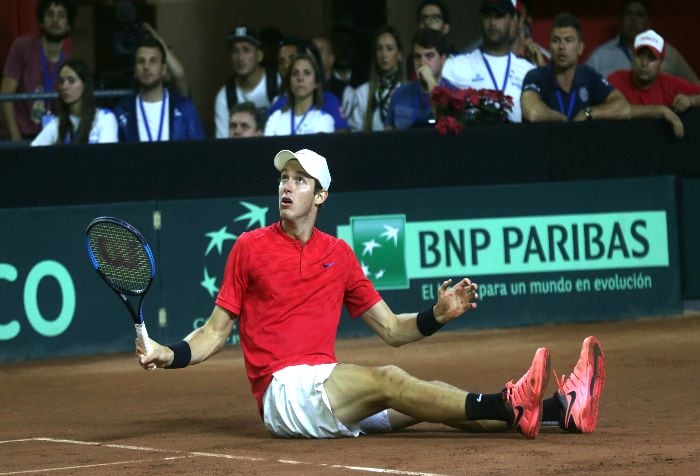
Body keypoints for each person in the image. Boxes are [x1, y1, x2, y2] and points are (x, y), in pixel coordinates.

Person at [135, 147, 606, 440]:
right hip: (284, 394)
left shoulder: (338, 255)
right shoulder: (250, 247)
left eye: (300, 180)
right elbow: (215, 333)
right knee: (391, 380)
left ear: (320, 196)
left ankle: (559, 410)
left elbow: (393, 330)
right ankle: (511, 400)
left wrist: (436, 315)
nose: (287, 186)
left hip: (329, 388)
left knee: (435, 395)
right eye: (284, 178)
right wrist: (167, 352)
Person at [520, 13, 630, 123]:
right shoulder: (536, 76)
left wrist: (588, 113)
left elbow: (622, 107)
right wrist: (562, 119)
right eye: (556, 40)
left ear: (580, 48)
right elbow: (532, 112)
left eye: (568, 40)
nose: (561, 47)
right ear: (550, 46)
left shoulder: (588, 75)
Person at [441, 0, 535, 123]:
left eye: (499, 16)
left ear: (513, 20)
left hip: (518, 140)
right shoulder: (456, 66)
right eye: (488, 16)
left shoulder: (528, 71)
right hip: (474, 140)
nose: (492, 23)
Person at [1, 0, 76, 141]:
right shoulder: (22, 47)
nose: (55, 20)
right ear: (41, 22)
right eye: (49, 15)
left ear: (68, 26)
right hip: (21, 137)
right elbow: (6, 95)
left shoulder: (69, 64)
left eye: (61, 15)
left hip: (52, 139)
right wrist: (16, 139)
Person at [608, 30, 700, 139]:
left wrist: (690, 101)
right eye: (640, 56)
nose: (644, 63)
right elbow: (606, 110)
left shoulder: (672, 84)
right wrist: (659, 110)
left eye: (651, 58)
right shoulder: (616, 80)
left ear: (661, 62)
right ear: (633, 57)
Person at [113, 34, 204, 142]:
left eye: (153, 61)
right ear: (135, 70)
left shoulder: (184, 108)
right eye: (141, 61)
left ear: (164, 69)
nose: (146, 67)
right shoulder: (122, 111)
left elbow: (199, 152)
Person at [585, 0, 698, 83]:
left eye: (639, 15)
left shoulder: (668, 53)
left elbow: (696, 86)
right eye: (628, 14)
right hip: (617, 113)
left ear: (648, 22)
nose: (633, 19)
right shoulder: (600, 56)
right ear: (621, 19)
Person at [266, 38, 349, 132]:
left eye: (306, 72)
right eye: (281, 61)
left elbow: (342, 136)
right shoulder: (279, 105)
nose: (286, 65)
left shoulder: (329, 100)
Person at [30, 58, 117, 146]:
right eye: (61, 82)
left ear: (85, 84)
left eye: (71, 81)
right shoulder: (56, 124)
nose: (64, 87)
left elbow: (107, 157)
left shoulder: (105, 118)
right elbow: (33, 151)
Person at [214, 26, 279, 139]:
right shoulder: (225, 95)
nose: (240, 57)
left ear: (259, 55)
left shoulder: (276, 82)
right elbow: (223, 142)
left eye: (246, 50)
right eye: (235, 51)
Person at [385, 29, 454, 130]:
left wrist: (431, 83)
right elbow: (388, 134)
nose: (422, 63)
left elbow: (447, 130)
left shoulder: (455, 94)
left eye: (429, 56)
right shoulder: (399, 93)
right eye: (417, 57)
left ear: (443, 59)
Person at [345, 26, 405, 132]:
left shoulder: (409, 90)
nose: (384, 54)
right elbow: (355, 132)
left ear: (399, 55)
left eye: (389, 48)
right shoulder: (363, 92)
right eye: (379, 49)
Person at [264, 52, 334, 136]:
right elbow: (268, 148)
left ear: (316, 83)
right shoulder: (275, 118)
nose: (300, 78)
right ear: (289, 82)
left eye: (307, 73)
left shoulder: (324, 120)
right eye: (295, 73)